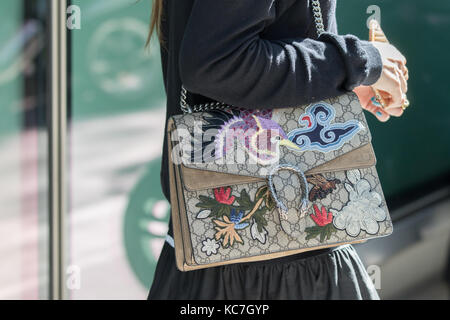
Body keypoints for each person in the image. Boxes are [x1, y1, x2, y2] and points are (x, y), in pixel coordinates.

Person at [146, 0, 408, 300]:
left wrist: (340, 82)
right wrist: (358, 62)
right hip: (276, 269)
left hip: (221, 256)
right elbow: (217, 63)